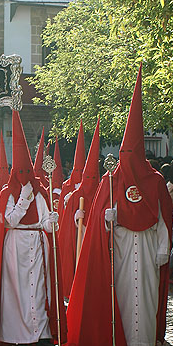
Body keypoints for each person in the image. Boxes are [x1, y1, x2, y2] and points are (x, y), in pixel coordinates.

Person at [64, 66, 172, 346]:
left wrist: (164, 246)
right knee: (124, 296)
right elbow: (99, 220)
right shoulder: (112, 181)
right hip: (123, 248)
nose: (126, 161)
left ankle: (144, 344)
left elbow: (163, 217)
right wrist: (108, 219)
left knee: (147, 295)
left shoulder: (155, 182)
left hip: (149, 246)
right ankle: (123, 341)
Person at [0, 108, 64, 346]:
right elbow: (9, 221)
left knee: (38, 287)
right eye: (21, 172)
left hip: (37, 243)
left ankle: (42, 334)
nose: (26, 178)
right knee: (17, 289)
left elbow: (45, 223)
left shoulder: (40, 193)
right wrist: (23, 199)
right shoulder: (8, 193)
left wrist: (53, 221)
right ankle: (18, 334)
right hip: (15, 245)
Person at [58, 119, 101, 300]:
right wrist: (76, 218)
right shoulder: (73, 192)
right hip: (77, 237)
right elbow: (64, 216)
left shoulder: (101, 191)